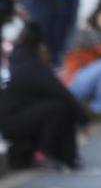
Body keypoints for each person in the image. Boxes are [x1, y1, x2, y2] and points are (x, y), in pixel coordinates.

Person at [0, 22, 90, 170]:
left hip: (11, 120)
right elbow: (61, 92)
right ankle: (44, 153)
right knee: (58, 108)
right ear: (41, 46)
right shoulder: (32, 64)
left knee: (51, 105)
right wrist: (83, 119)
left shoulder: (17, 59)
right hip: (12, 122)